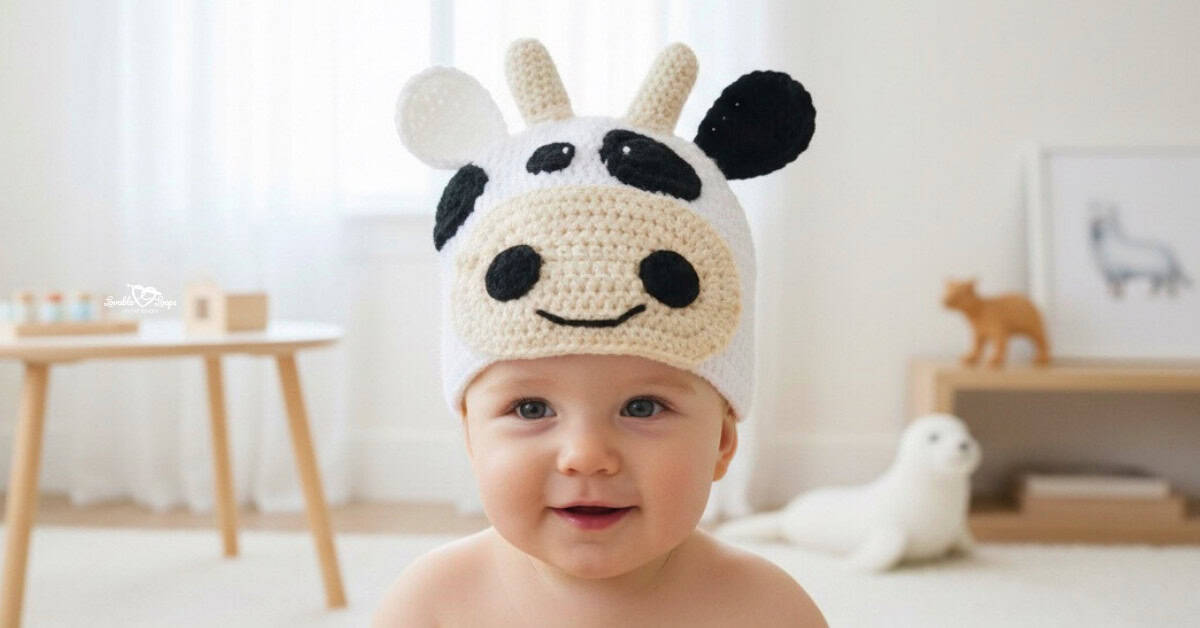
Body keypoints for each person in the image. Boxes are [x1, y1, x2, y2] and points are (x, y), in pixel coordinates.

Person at [375, 38, 825, 626]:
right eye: (530, 407)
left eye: (643, 406)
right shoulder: (433, 603)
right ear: (470, 433)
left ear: (721, 440)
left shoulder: (766, 611)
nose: (586, 457)